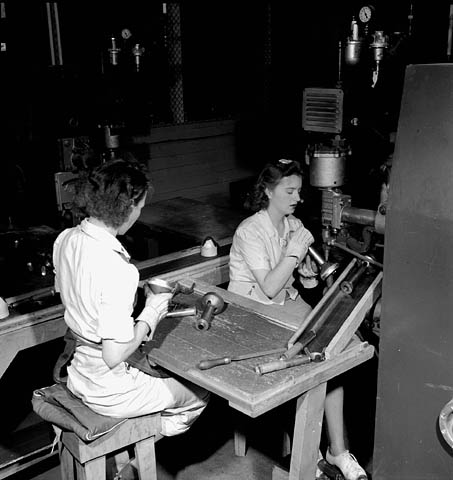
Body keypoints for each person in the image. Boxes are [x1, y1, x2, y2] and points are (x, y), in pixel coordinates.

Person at [228, 159, 367, 480]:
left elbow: (300, 283)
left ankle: (338, 452)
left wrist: (305, 273)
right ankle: (309, 457)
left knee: (341, 348)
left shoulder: (293, 226)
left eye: (299, 191)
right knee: (312, 360)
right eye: (289, 191)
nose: (297, 198)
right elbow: (270, 286)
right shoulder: (250, 231)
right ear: (267, 190)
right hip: (250, 312)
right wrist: (293, 253)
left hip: (284, 306)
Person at [52, 158, 209, 439]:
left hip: (77, 373)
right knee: (200, 391)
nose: (139, 213)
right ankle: (135, 461)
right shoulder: (119, 270)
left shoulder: (65, 239)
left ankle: (131, 446)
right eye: (140, 206)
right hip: (108, 391)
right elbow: (114, 355)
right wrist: (152, 312)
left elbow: (68, 291)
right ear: (126, 207)